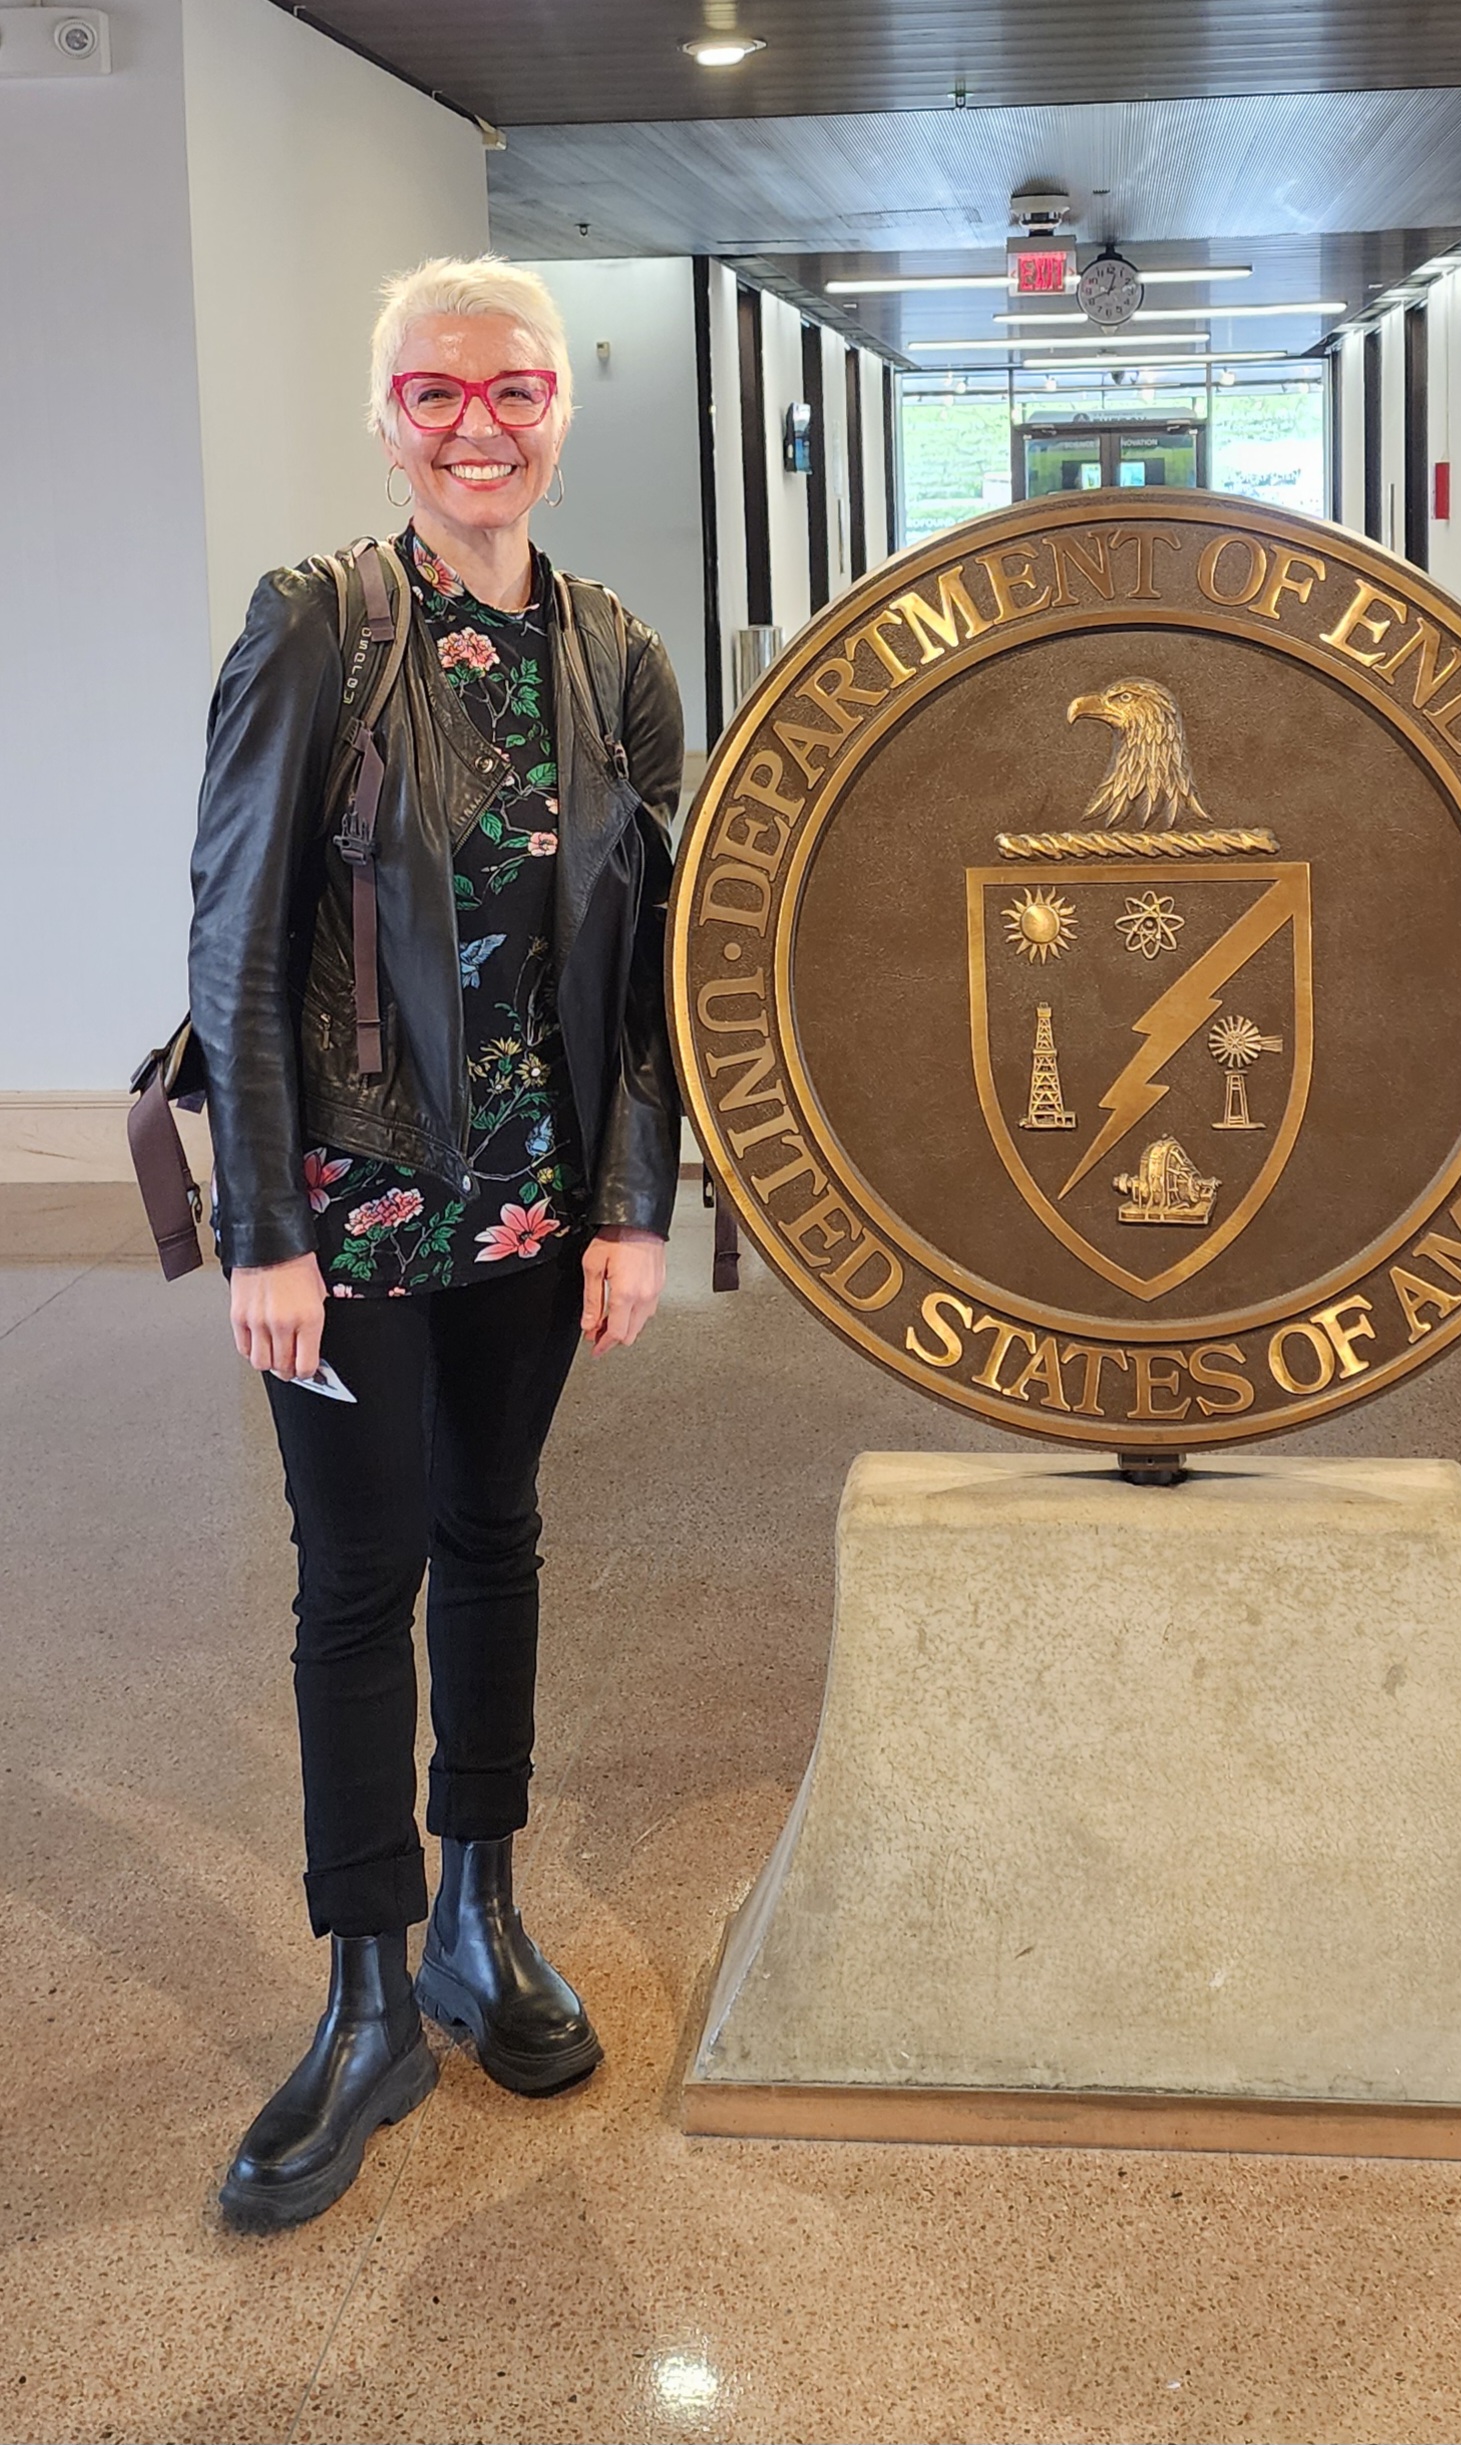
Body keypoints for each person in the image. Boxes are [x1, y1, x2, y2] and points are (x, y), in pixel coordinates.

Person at [188, 256, 682, 2230]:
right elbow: (231, 931)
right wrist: (260, 1221)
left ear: (562, 403)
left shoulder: (615, 652)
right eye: (436, 392)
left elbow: (653, 959)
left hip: (536, 1209)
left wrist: (633, 1202)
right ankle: (369, 1983)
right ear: (386, 412)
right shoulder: (319, 625)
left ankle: (483, 1910)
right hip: (352, 1216)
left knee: (496, 1536)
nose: (479, 426)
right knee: (356, 1574)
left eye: (515, 390)